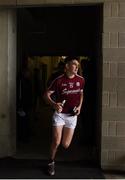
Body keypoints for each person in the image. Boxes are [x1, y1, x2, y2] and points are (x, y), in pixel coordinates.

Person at [44, 56, 85, 176]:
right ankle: (51, 162)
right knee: (56, 141)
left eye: (78, 65)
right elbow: (46, 95)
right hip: (60, 115)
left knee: (65, 145)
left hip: (72, 116)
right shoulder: (59, 80)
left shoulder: (81, 80)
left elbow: (81, 94)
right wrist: (54, 104)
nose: (77, 67)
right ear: (67, 66)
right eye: (74, 64)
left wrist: (79, 107)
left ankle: (54, 155)